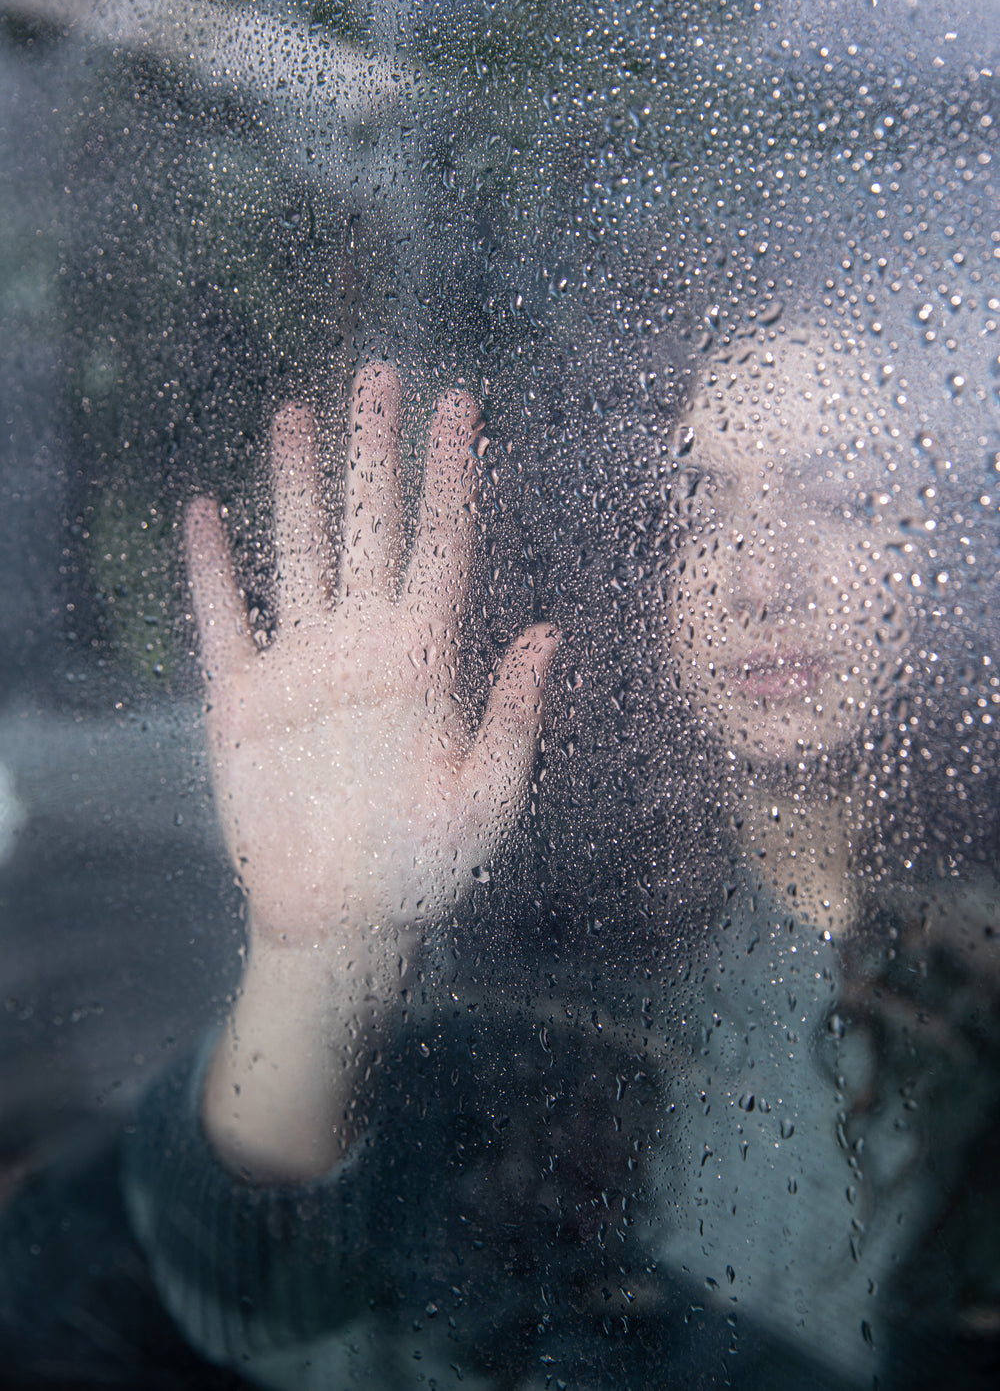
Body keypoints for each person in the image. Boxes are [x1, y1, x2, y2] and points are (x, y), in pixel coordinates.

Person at [1, 325, 998, 1390]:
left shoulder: (963, 992)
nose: (759, 577)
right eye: (701, 508)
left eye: (843, 497)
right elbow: (246, 1303)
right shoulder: (545, 933)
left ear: (959, 547)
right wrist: (327, 956)